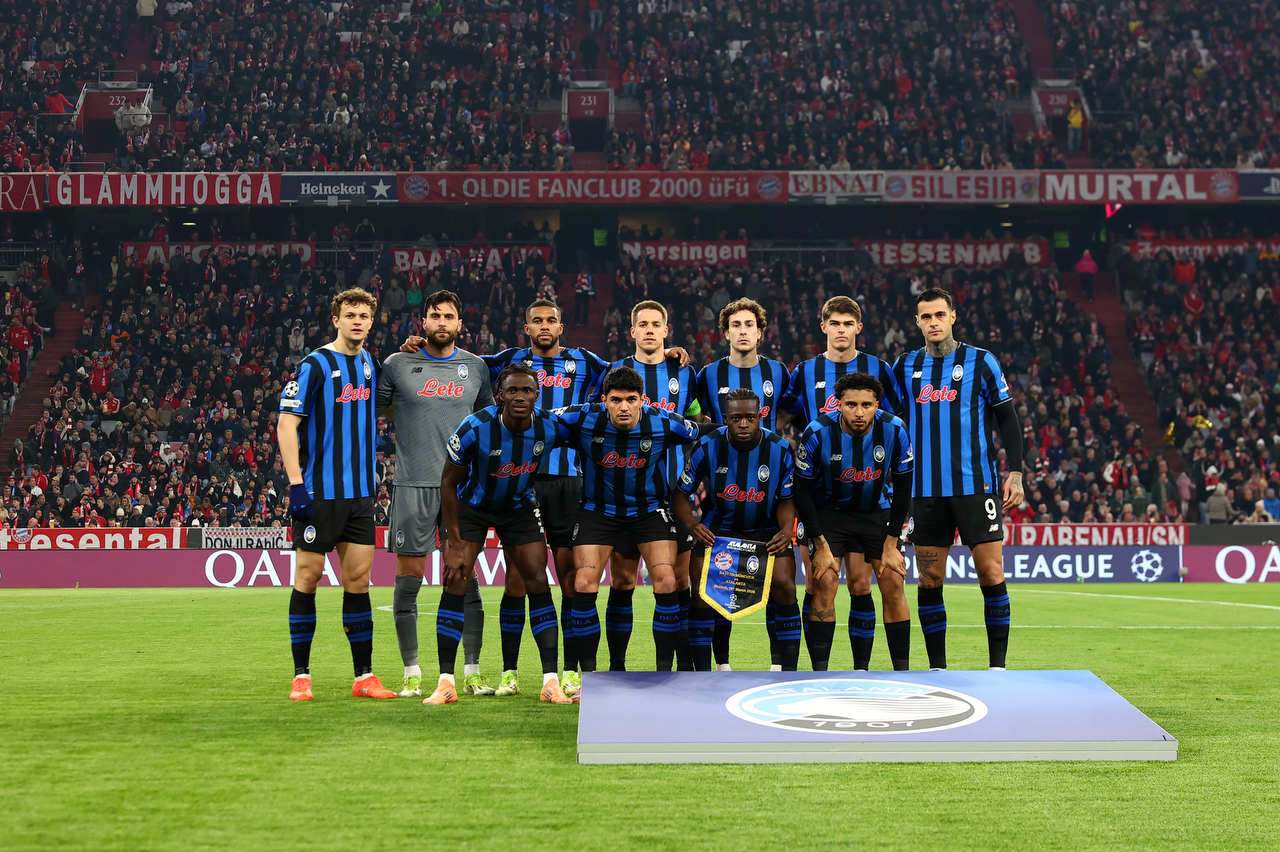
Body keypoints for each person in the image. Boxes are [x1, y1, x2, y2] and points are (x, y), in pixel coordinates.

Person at [891, 288, 1025, 671]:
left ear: (953, 316)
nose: (933, 322)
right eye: (926, 317)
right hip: (925, 491)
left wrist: (1016, 473)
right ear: (917, 322)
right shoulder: (904, 366)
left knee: (991, 572)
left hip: (976, 487)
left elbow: (1007, 418)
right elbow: (888, 420)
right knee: (930, 578)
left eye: (939, 315)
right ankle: (937, 668)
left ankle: (997, 668)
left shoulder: (981, 361)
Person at [423, 364, 573, 705]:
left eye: (527, 391)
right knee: (456, 577)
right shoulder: (474, 428)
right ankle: (445, 682)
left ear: (537, 395)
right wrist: (453, 539)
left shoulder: (550, 426)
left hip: (519, 507)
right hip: (473, 508)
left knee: (538, 579)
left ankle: (550, 682)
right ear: (499, 396)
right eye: (512, 391)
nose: (520, 397)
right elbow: (448, 482)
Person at [276, 287, 397, 701]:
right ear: (336, 320)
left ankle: (364, 677)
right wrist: (296, 484)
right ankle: (301, 676)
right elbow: (286, 424)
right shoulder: (314, 364)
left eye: (364, 315)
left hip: (360, 494)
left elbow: (386, 406)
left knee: (358, 581)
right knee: (307, 577)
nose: (357, 321)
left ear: (371, 321)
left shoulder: (369, 364)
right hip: (318, 493)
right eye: (350, 315)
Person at [378, 290, 493, 699]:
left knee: (466, 579)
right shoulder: (396, 364)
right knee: (408, 582)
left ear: (460, 323)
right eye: (434, 315)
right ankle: (411, 672)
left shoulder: (476, 367)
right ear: (423, 321)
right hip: (413, 485)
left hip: (461, 490)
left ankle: (472, 671)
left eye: (448, 316)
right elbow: (377, 409)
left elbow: (488, 421)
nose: (441, 322)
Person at [557, 366, 707, 679]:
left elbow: (705, 432)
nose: (623, 407)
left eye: (630, 399)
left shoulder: (663, 422)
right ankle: (595, 675)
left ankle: (664, 673)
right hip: (598, 511)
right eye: (616, 400)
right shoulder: (581, 417)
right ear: (604, 400)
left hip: (648, 511)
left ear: (642, 400)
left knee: (667, 581)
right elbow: (536, 421)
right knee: (585, 583)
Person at [778, 295, 897, 668]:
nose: (841, 330)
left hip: (866, 494)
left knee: (861, 584)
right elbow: (785, 415)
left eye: (848, 323)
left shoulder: (879, 369)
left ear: (858, 328)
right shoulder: (805, 371)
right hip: (817, 498)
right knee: (817, 582)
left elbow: (894, 422)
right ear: (823, 327)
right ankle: (814, 669)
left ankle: (862, 670)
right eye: (835, 323)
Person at [792, 373, 914, 671]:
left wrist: (891, 543)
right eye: (851, 405)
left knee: (891, 579)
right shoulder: (817, 432)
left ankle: (900, 672)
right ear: (838, 404)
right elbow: (801, 492)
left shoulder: (895, 429)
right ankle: (820, 673)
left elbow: (903, 489)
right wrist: (820, 544)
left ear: (877, 405)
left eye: (866, 405)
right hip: (828, 513)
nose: (859, 412)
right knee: (825, 580)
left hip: (875, 512)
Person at [673, 389, 800, 670]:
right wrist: (693, 524)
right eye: (736, 418)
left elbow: (787, 498)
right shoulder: (707, 445)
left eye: (750, 418)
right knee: (703, 595)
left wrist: (785, 530)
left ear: (760, 416)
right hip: (718, 532)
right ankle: (711, 672)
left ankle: (785, 671)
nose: (743, 424)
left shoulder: (779, 448)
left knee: (785, 585)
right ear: (726, 418)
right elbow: (681, 495)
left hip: (767, 531)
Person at [695, 297, 790, 670]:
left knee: (778, 585)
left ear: (761, 332)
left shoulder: (778, 372)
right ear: (725, 333)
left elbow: (794, 409)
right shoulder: (708, 375)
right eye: (735, 325)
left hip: (769, 491)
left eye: (750, 324)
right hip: (722, 492)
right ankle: (721, 665)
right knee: (719, 587)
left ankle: (779, 666)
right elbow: (693, 412)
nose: (743, 331)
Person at [607, 300, 701, 671]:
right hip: (626, 495)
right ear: (632, 331)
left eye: (655, 324)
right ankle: (617, 667)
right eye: (642, 324)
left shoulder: (685, 374)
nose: (649, 330)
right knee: (623, 579)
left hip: (674, 493)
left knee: (678, 580)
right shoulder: (615, 371)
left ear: (666, 330)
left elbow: (696, 420)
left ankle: (681, 668)